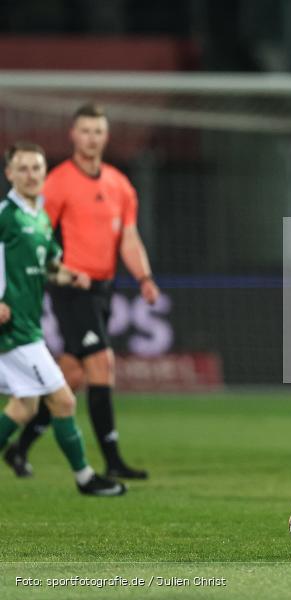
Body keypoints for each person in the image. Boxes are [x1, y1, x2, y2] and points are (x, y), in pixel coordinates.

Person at [3, 103, 159, 480]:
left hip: (99, 287)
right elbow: (31, 237)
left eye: (98, 131)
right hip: (70, 293)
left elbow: (129, 237)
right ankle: (109, 462)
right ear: (73, 135)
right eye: (85, 130)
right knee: (102, 364)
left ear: (106, 136)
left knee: (66, 378)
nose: (92, 138)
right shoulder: (54, 184)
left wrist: (144, 277)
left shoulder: (120, 185)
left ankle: (18, 449)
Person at [0, 142, 125, 496]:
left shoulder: (38, 216)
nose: (31, 175)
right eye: (22, 169)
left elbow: (49, 264)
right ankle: (86, 478)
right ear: (9, 173)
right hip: (13, 331)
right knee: (64, 400)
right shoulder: (6, 214)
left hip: (27, 326)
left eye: (36, 168)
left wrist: (70, 274)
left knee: (23, 407)